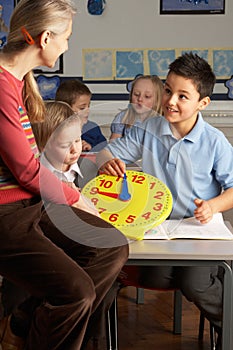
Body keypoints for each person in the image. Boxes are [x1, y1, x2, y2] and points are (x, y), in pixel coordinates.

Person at [0, 2, 128, 350]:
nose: (67, 45)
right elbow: (27, 170)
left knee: (111, 245)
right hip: (7, 215)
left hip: (30, 204)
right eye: (66, 38)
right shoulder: (1, 85)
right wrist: (76, 197)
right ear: (45, 38)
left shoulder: (15, 83)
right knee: (77, 293)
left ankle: (28, 318)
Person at [97, 52, 233, 339]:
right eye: (169, 91)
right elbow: (107, 152)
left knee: (195, 281)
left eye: (183, 96)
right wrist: (105, 161)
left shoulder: (214, 142)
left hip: (197, 233)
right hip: (155, 230)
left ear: (203, 103)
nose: (171, 101)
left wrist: (212, 206)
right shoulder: (147, 129)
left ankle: (229, 329)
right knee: (136, 272)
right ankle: (90, 335)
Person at [55, 79, 108, 151]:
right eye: (82, 108)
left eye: (89, 106)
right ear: (65, 108)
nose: (88, 110)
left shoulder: (93, 128)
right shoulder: (56, 128)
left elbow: (104, 147)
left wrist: (91, 147)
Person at [109, 75, 163, 141]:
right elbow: (113, 144)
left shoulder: (162, 122)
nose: (140, 99)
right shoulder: (123, 117)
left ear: (157, 100)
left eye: (147, 96)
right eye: (136, 94)